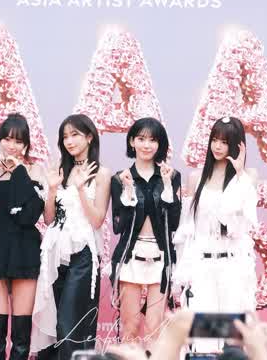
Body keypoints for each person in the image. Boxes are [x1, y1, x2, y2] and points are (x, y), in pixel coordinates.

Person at [174, 116, 258, 353]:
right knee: (204, 336)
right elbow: (189, 230)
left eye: (225, 142)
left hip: (232, 264)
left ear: (237, 145)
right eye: (215, 140)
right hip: (203, 264)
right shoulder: (196, 177)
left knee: (233, 336)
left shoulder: (247, 176)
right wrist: (186, 269)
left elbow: (241, 223)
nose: (218, 146)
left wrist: (239, 175)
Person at [31, 114, 111, 360]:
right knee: (55, 323)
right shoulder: (59, 170)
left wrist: (80, 189)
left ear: (89, 137)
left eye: (75, 134)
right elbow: (48, 219)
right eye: (65, 136)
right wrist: (52, 189)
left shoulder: (101, 174)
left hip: (83, 253)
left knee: (71, 324)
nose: (69, 141)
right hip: (55, 251)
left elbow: (97, 220)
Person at [0, 113, 45, 360]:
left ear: (26, 144)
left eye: (18, 141)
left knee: (21, 334)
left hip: (25, 249)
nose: (11, 146)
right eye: (7, 139)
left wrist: (19, 170)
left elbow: (29, 216)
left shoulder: (34, 170)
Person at [109, 117, 182, 347]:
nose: (146, 145)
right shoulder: (120, 178)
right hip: (131, 256)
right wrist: (128, 192)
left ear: (160, 144)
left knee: (154, 327)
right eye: (141, 139)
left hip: (160, 257)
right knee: (130, 326)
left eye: (153, 140)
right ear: (132, 141)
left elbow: (175, 223)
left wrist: (168, 185)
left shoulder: (172, 176)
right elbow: (118, 226)